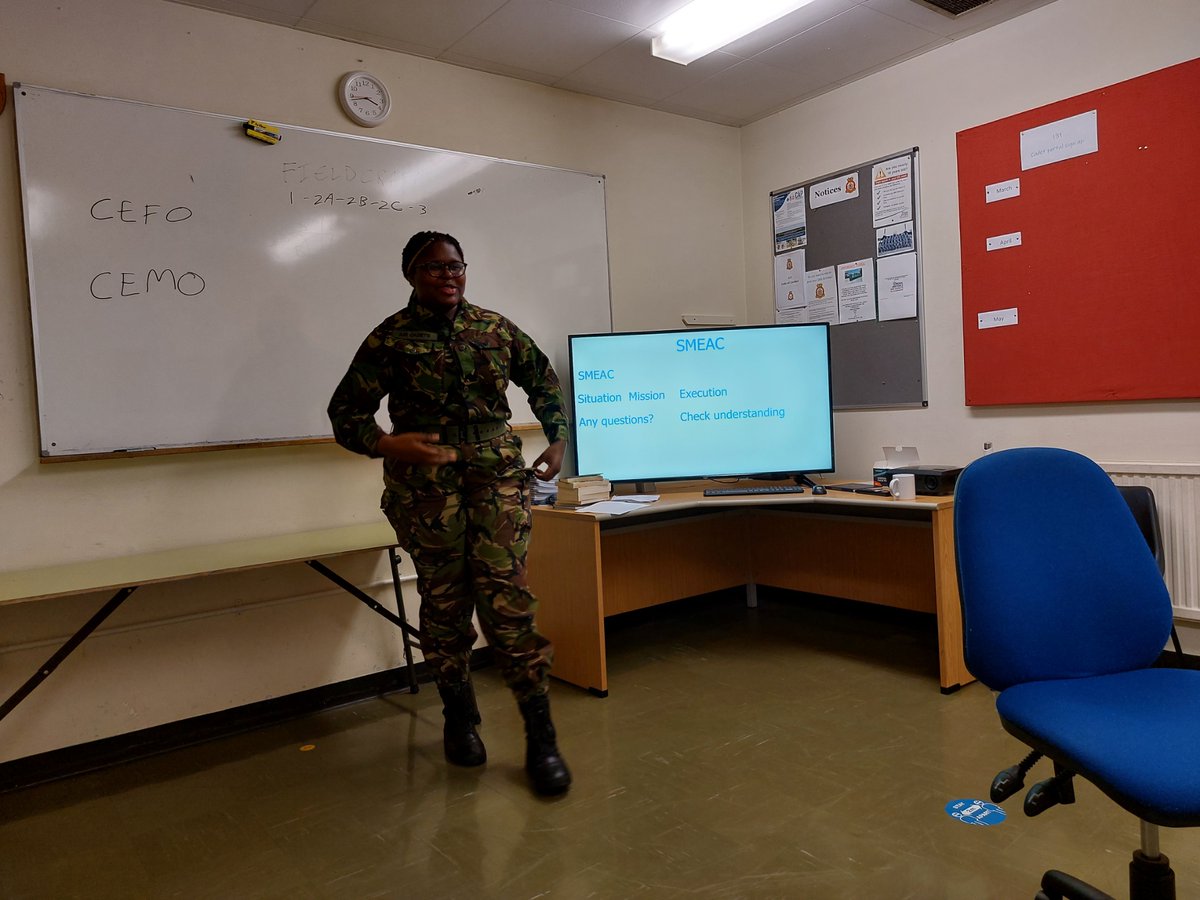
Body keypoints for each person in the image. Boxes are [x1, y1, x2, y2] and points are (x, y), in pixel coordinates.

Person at [327, 230, 571, 796]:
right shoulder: (389, 337)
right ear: (411, 274)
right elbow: (347, 414)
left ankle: (542, 737)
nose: (449, 276)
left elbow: (543, 381)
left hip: (496, 475)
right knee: (444, 598)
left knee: (507, 597)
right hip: (425, 485)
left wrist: (557, 439)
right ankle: (459, 715)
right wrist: (390, 445)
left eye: (456, 266)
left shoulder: (494, 328)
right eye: (434, 268)